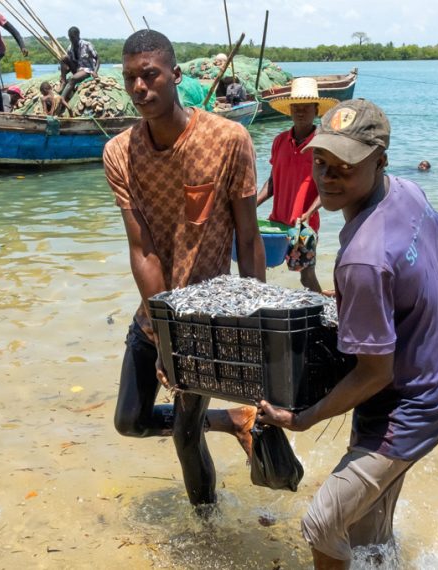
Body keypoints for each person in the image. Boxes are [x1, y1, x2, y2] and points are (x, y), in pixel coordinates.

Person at [257, 99, 438, 569]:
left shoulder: (363, 259)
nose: (328, 177)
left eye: (345, 167)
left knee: (320, 523)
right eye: (321, 162)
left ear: (380, 160)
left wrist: (302, 419)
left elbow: (374, 373)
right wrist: (397, 312)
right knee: (369, 534)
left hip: (407, 408)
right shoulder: (408, 193)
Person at [104, 29, 266, 513]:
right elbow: (143, 249)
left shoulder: (227, 139)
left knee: (184, 434)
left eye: (149, 74)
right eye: (130, 78)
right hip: (154, 313)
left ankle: (207, 528)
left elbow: (249, 237)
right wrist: (160, 329)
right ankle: (234, 421)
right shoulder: (119, 152)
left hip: (207, 319)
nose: (139, 87)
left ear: (175, 75)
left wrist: (256, 321)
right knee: (129, 421)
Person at [255, 77, 338, 293]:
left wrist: (310, 212)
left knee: (306, 276)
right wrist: (252, 203)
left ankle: (321, 307)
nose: (301, 112)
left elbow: (328, 185)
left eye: (306, 107)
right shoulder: (280, 141)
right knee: (258, 266)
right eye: (296, 107)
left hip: (304, 226)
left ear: (316, 110)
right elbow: (273, 181)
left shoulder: (324, 144)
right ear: (290, 110)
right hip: (277, 222)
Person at [60, 26, 100, 102]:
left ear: (78, 36)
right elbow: (69, 63)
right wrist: (64, 70)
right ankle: (63, 81)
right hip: (77, 69)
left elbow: (97, 59)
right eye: (70, 38)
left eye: (73, 37)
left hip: (87, 70)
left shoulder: (87, 45)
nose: (71, 40)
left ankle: (62, 98)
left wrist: (95, 71)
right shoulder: (70, 48)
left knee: (72, 79)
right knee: (64, 58)